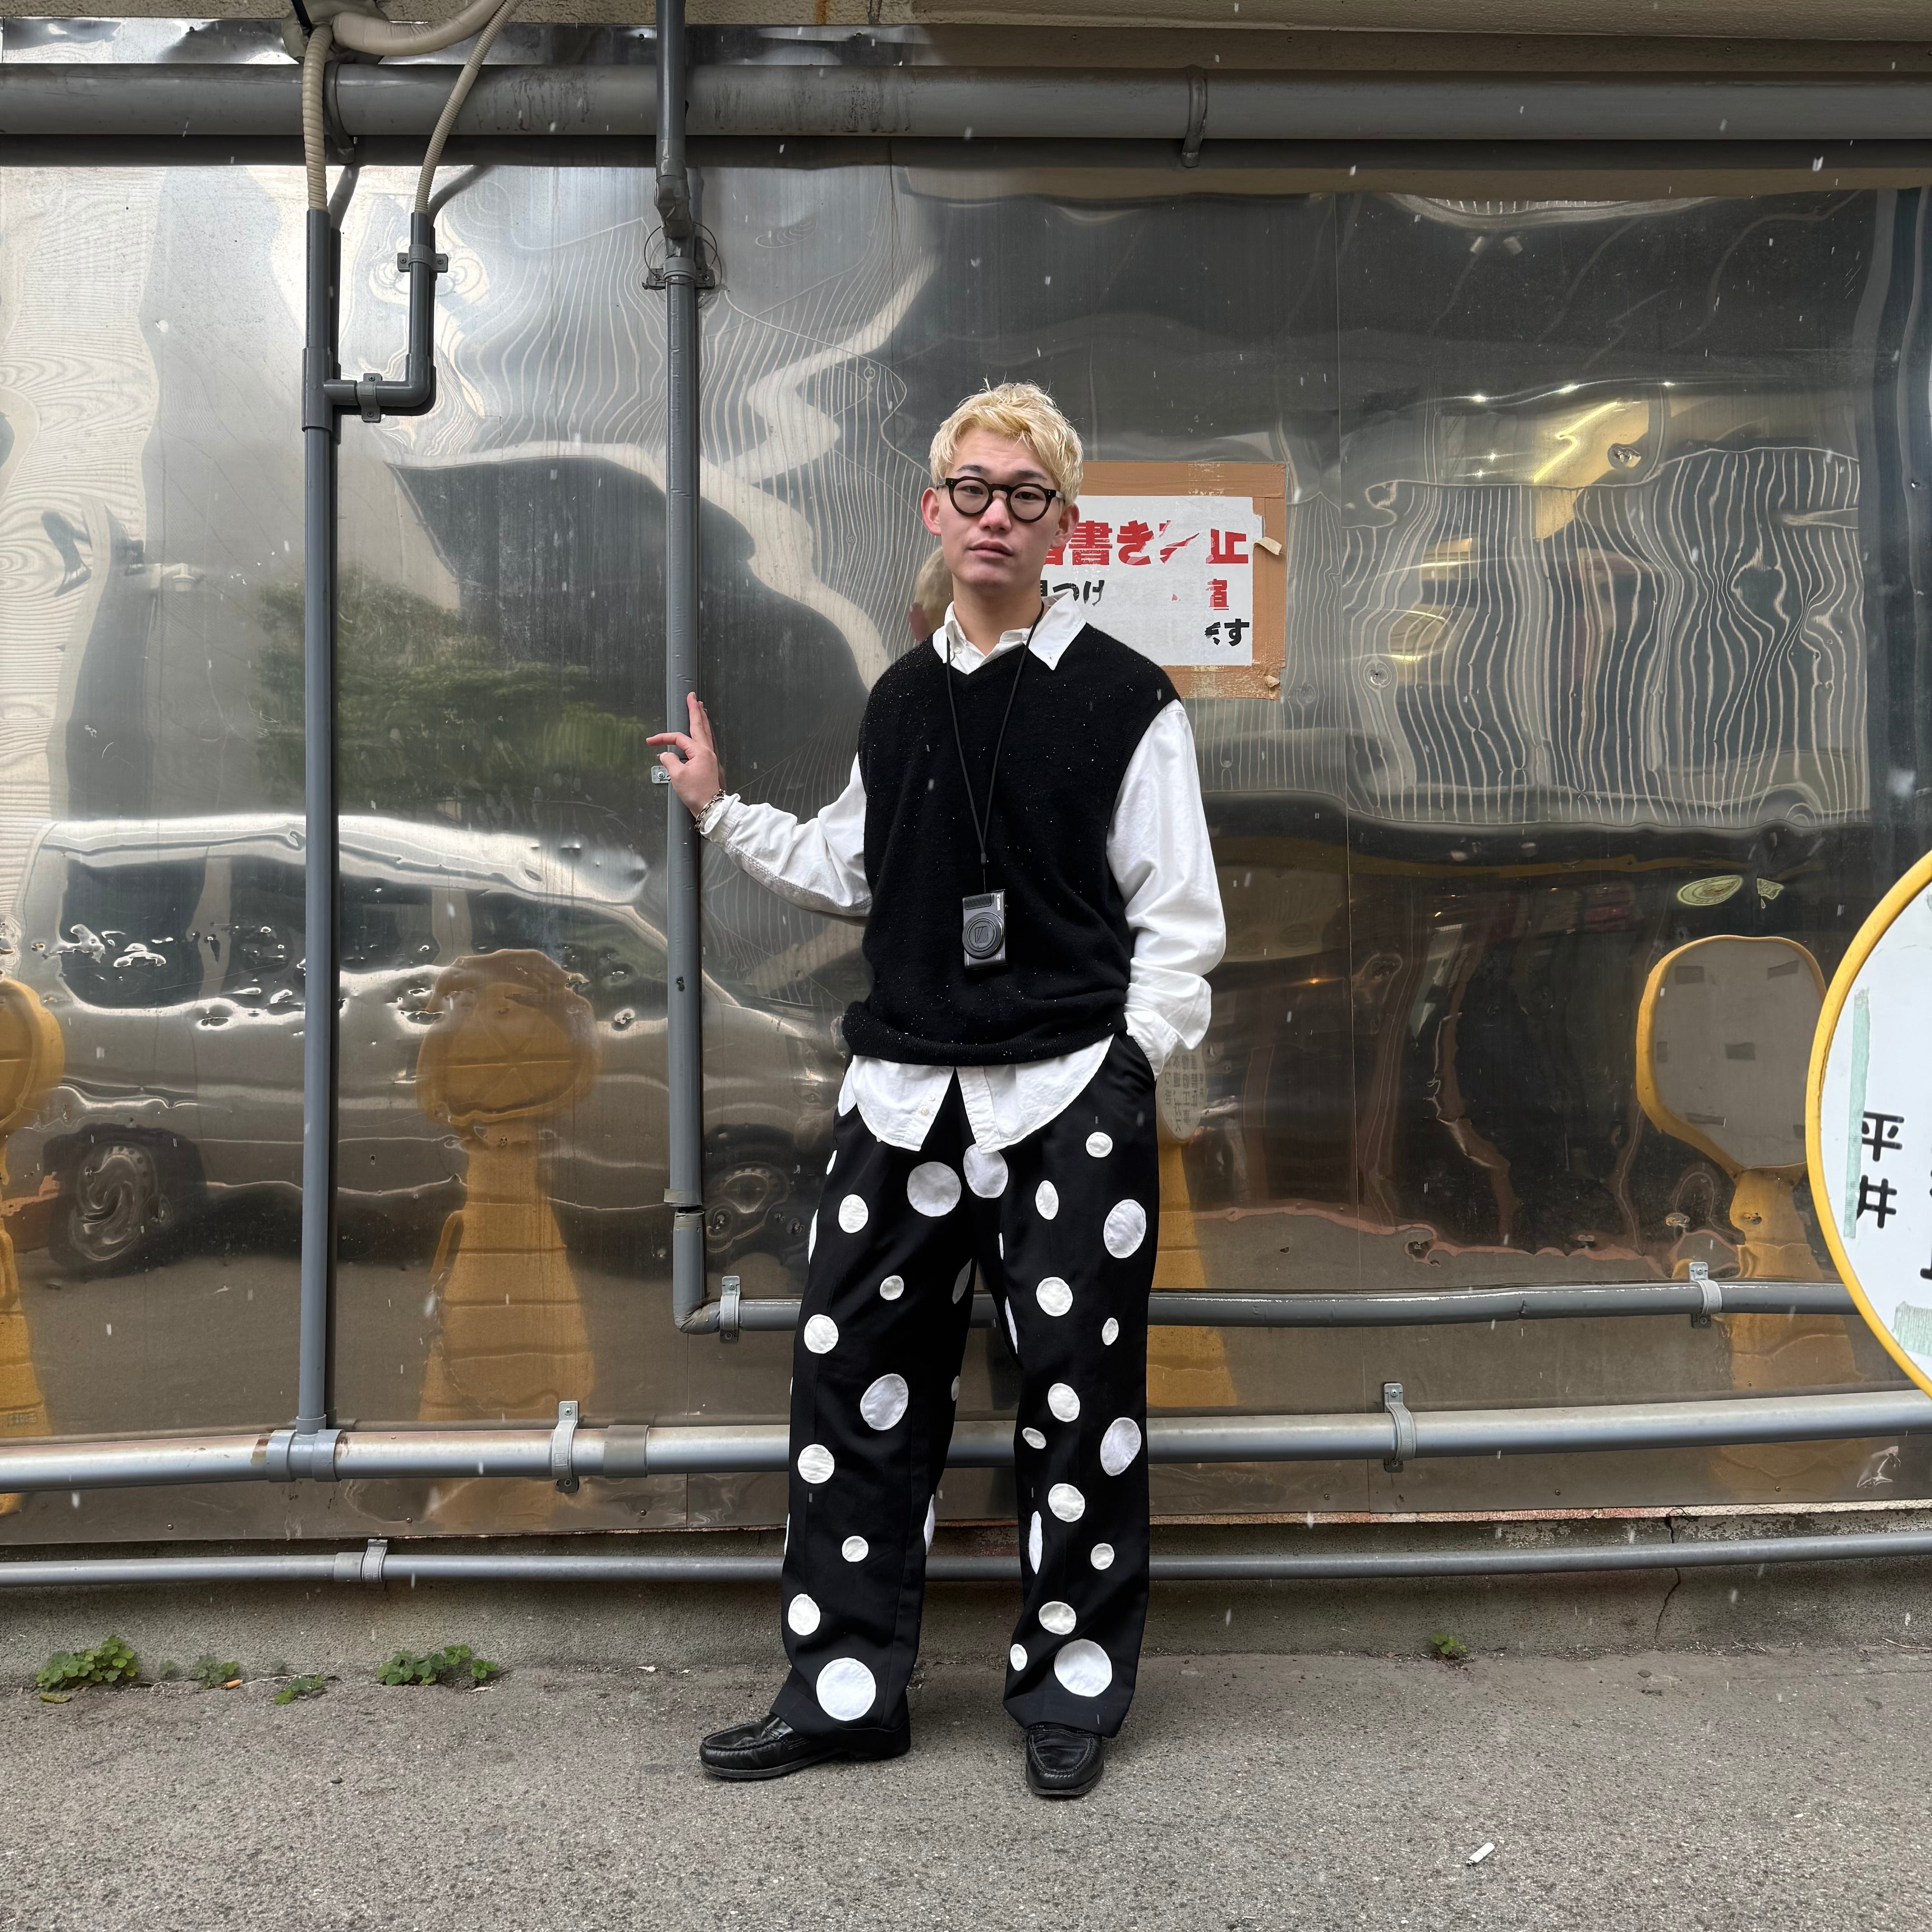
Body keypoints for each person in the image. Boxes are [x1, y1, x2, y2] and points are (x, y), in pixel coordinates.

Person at [649, 382, 1224, 1800]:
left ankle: (1071, 1687)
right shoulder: (902, 698)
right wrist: (722, 810)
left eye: (1024, 496)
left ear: (1061, 523)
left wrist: (1124, 1075)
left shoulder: (1126, 700)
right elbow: (857, 866)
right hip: (901, 1096)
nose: (994, 517)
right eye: (972, 490)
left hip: (1063, 1099)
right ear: (934, 508)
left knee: (1079, 1400)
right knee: (851, 1388)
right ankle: (844, 1689)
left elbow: (1178, 919)